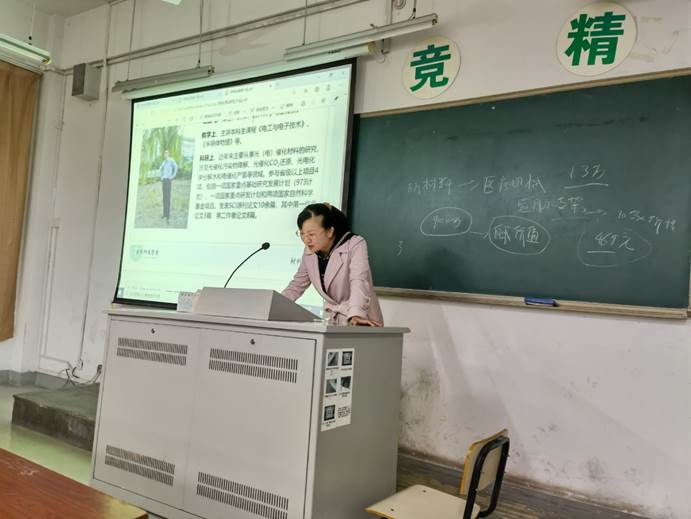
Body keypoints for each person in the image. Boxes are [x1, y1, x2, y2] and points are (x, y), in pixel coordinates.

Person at [282, 203, 383, 326]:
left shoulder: (355, 244)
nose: (306, 240)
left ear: (330, 231)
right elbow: (297, 285)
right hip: (333, 322)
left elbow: (359, 280)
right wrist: (273, 306)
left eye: (311, 234)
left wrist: (356, 313)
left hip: (361, 319)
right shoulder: (310, 252)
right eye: (302, 234)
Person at [159, 149, 178, 223]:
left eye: (166, 153)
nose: (165, 154)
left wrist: (172, 176)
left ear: (169, 154)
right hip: (164, 181)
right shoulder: (164, 162)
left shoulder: (171, 160)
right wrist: (161, 177)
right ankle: (164, 214)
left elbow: (176, 167)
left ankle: (168, 216)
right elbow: (160, 169)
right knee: (164, 198)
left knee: (168, 197)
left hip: (168, 180)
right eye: (164, 153)